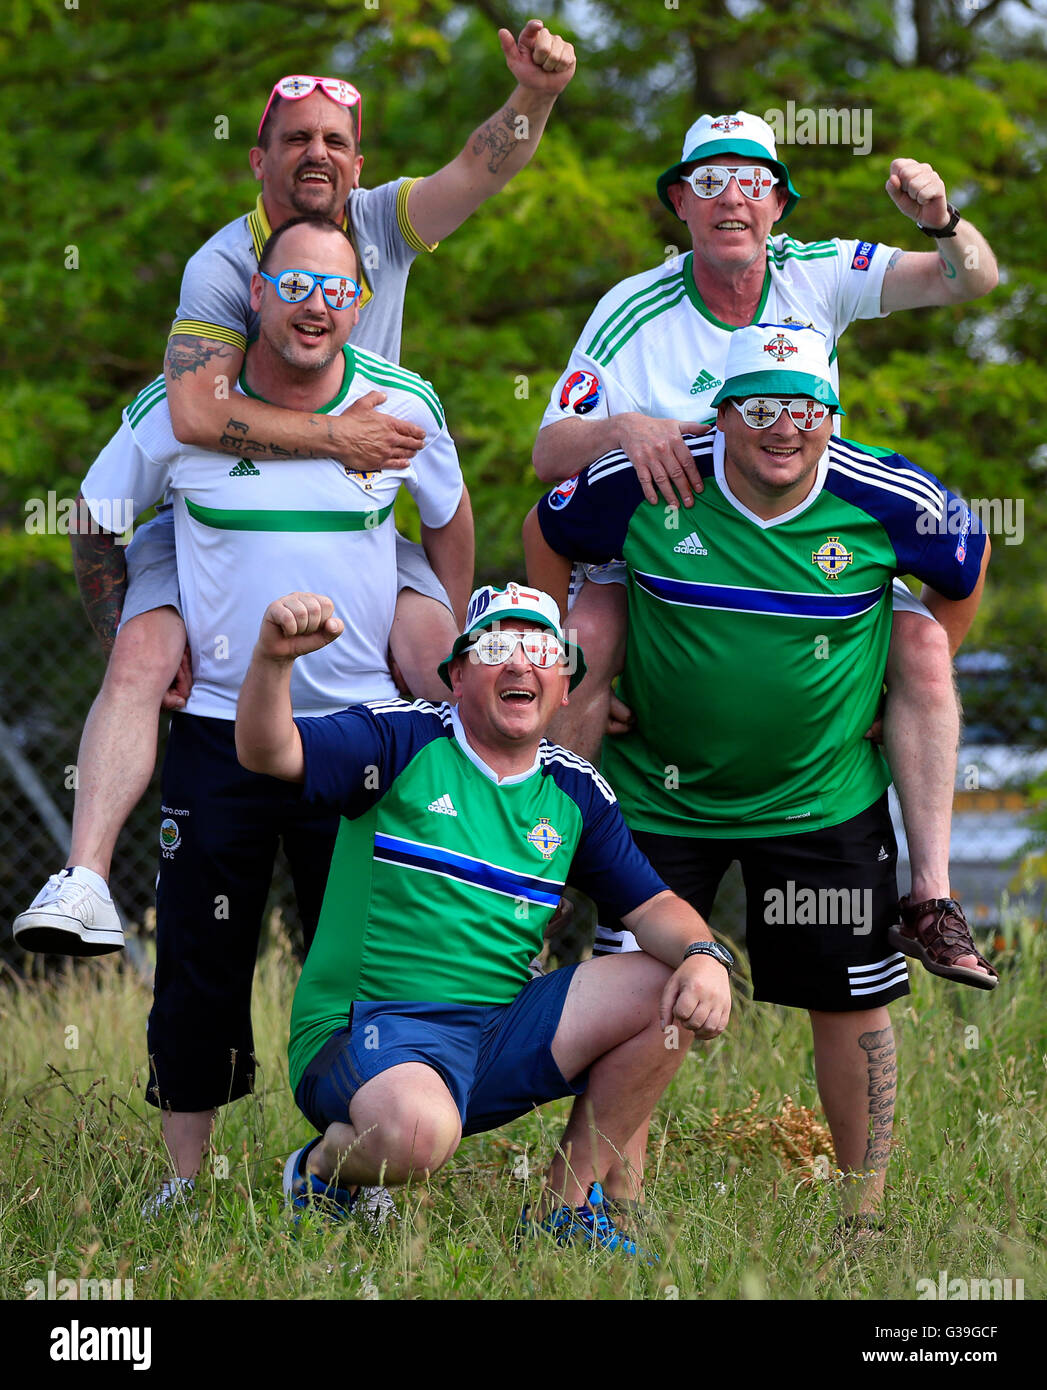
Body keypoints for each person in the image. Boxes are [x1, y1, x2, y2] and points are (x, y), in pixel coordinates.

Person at [13, 20, 575, 954]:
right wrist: (336, 437)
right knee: (144, 654)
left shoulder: (386, 226)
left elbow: (481, 169)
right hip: (216, 511)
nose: (317, 153)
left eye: (336, 140)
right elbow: (194, 417)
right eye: (296, 138)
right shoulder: (223, 263)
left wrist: (537, 94)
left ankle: (487, 878)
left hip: (356, 520)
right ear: (259, 161)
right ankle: (83, 882)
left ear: (359, 163)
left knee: (445, 656)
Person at [35, 217, 473, 1208]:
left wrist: (436, 638)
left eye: (338, 290)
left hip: (356, 736)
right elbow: (96, 518)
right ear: (258, 294)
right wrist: (131, 629)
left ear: (360, 303)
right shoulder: (181, 411)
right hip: (219, 732)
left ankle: (350, 1170)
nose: (317, 306)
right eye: (295, 285)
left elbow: (448, 515)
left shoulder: (403, 403)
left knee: (361, 960)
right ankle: (186, 1180)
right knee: (199, 956)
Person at [524, 323, 993, 1216]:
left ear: (833, 415)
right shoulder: (651, 477)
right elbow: (544, 530)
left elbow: (960, 575)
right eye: (758, 408)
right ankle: (602, 1207)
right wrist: (565, 664)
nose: (783, 428)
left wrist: (889, 676)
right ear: (722, 414)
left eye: (805, 409)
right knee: (640, 992)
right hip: (657, 787)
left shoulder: (889, 496)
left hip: (820, 795)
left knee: (850, 1003)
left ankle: (864, 1214)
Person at [531, 111, 998, 971]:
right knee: (584, 640)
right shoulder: (630, 305)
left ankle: (930, 898)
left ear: (779, 203)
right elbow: (546, 464)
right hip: (658, 546)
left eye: (752, 181)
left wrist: (939, 218)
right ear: (679, 201)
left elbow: (971, 282)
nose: (730, 198)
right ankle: (533, 885)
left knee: (925, 648)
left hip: (799, 537)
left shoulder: (819, 271)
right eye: (706, 181)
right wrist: (625, 427)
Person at [234, 581, 732, 1252]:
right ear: (458, 675)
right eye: (496, 646)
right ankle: (321, 1170)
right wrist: (271, 661)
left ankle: (565, 1209)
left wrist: (705, 958)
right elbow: (268, 752)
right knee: (415, 1137)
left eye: (538, 649)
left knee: (662, 983)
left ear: (563, 683)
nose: (519, 662)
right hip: (369, 1029)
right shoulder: (400, 738)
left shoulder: (574, 791)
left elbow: (655, 909)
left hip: (495, 1031)